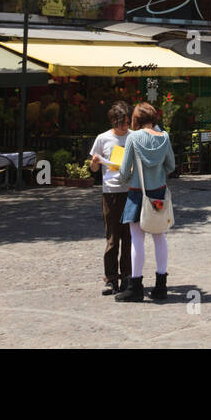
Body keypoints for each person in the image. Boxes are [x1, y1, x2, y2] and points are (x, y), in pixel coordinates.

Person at [115, 102, 176, 303]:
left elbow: (124, 171)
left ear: (136, 119)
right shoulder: (165, 137)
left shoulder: (133, 137)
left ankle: (136, 286)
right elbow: (171, 166)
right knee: (159, 237)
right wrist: (157, 174)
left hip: (136, 192)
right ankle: (161, 285)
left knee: (137, 240)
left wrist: (126, 177)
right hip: (157, 193)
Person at [88, 101, 133, 296]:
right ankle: (111, 278)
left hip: (131, 191)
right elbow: (94, 169)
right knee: (113, 237)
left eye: (126, 123)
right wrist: (95, 163)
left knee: (129, 237)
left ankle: (128, 277)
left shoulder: (134, 137)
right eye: (120, 123)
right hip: (111, 192)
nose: (124, 127)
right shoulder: (102, 139)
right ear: (113, 122)